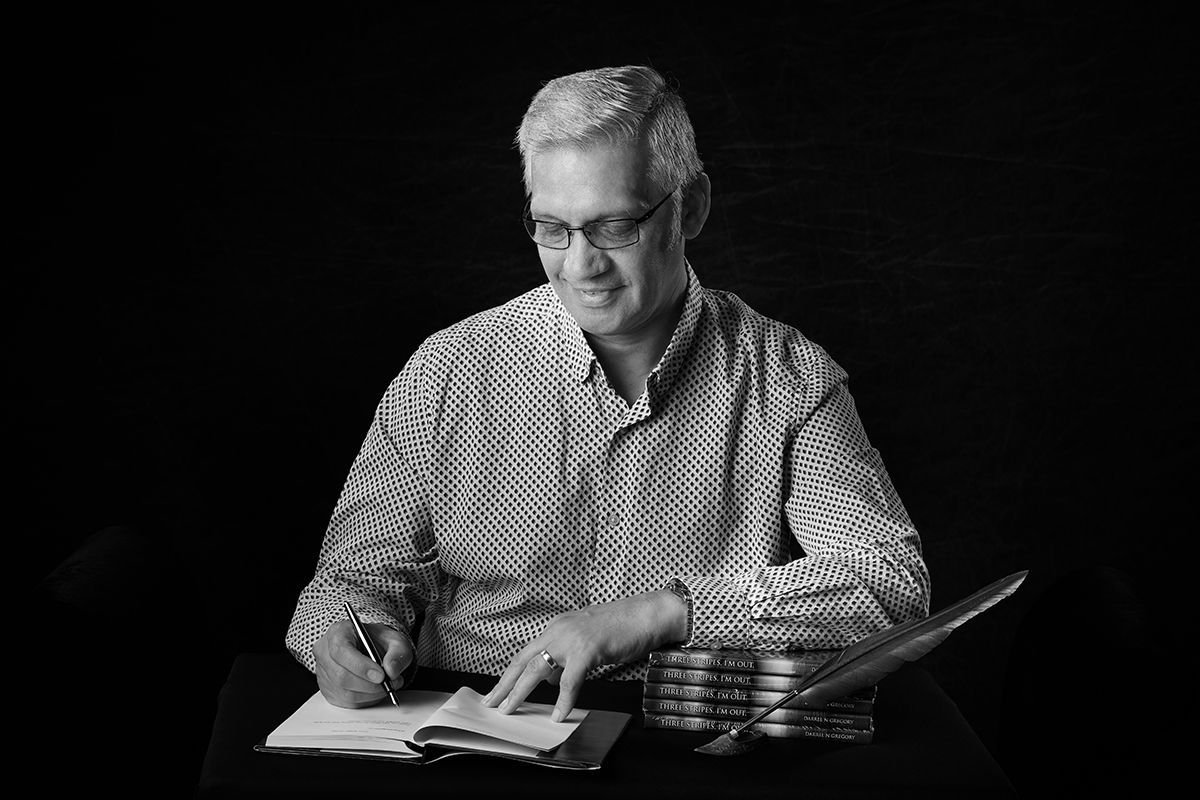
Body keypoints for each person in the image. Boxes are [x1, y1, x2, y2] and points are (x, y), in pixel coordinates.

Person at [285, 65, 931, 723]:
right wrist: (350, 637)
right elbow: (350, 584)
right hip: (478, 731)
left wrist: (665, 612)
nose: (580, 265)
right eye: (552, 227)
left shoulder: (790, 377)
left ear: (691, 207)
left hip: (679, 739)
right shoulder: (446, 371)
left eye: (615, 226)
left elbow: (891, 583)